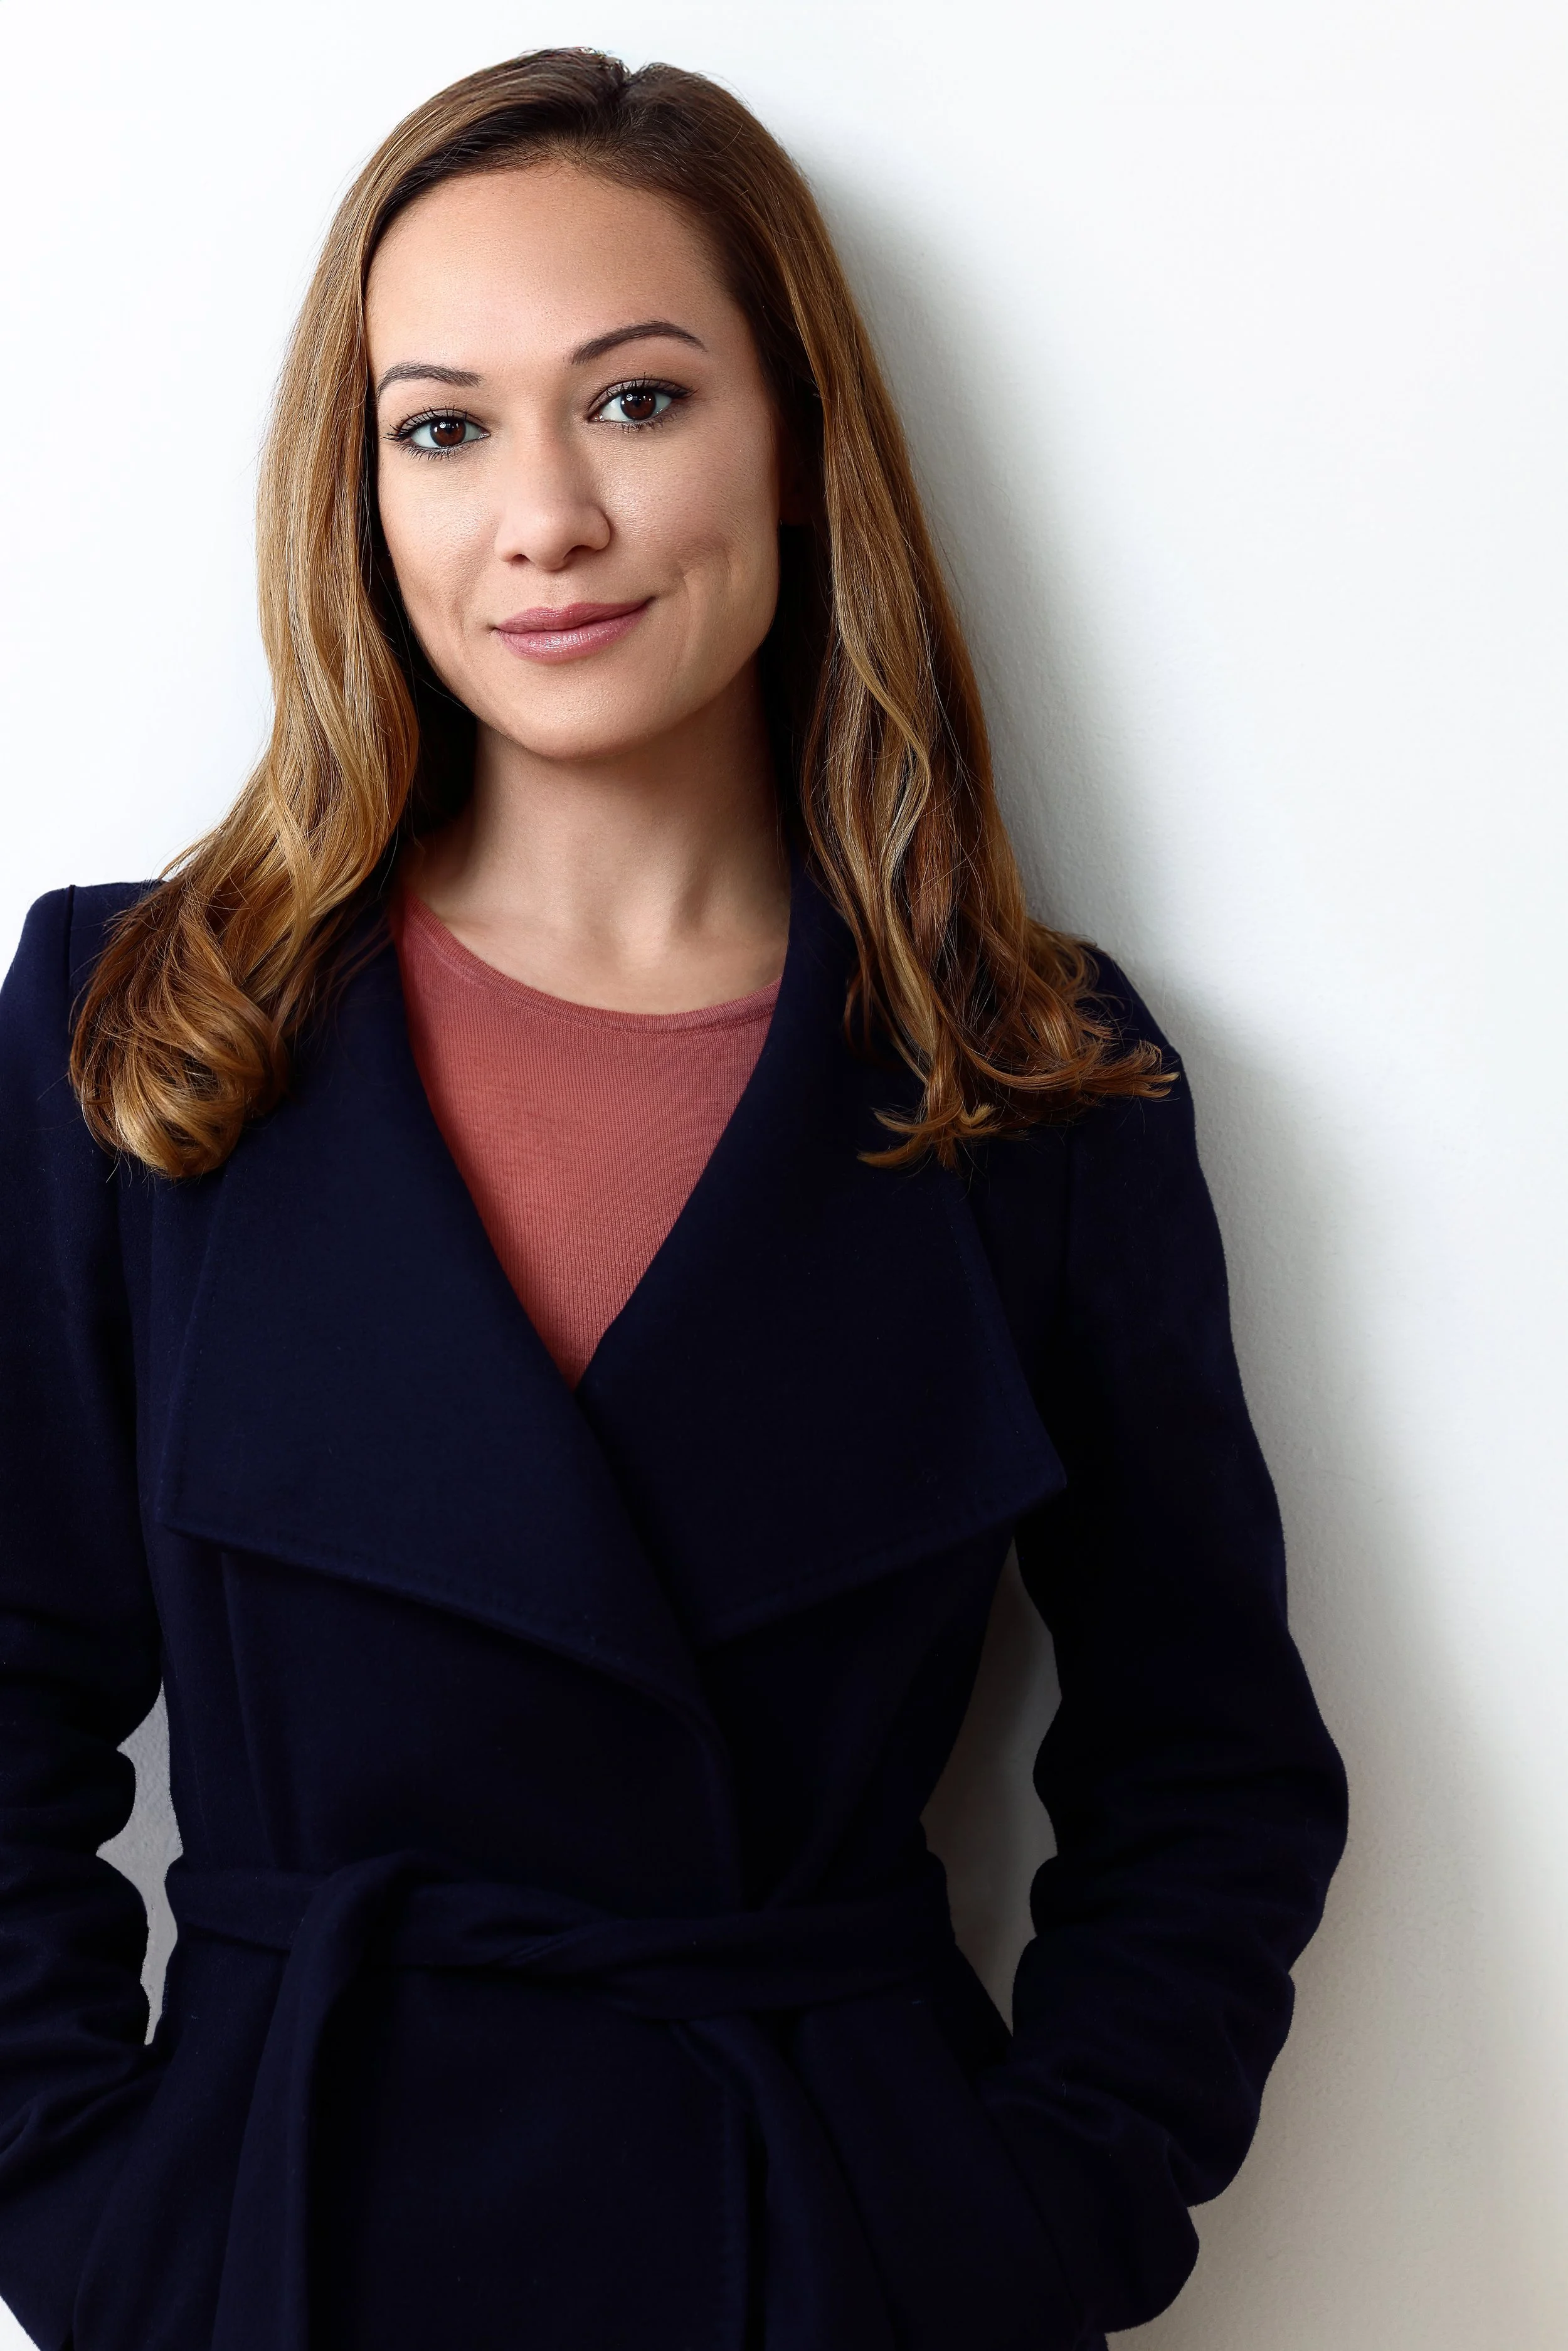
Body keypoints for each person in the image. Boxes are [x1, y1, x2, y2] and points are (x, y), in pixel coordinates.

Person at [0, 46, 1347, 2351]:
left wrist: (1032, 2220)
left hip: (818, 2253)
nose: (542, 518)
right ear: (357, 495)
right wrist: (93, 2210)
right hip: (285, 2246)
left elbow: (1205, 1754)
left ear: (800, 445)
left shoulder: (1028, 1069)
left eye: (633, 403)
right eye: (441, 425)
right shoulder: (146, 1017)